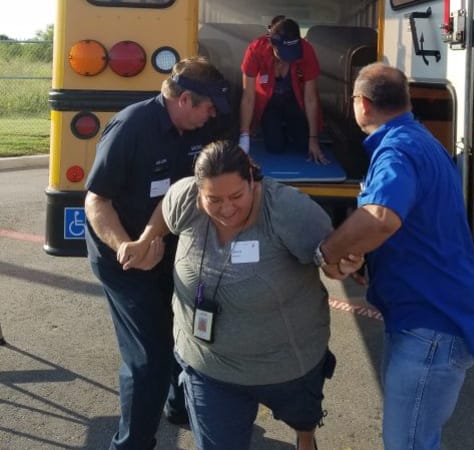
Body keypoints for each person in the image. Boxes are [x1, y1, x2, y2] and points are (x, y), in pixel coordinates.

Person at [126, 140, 361, 450]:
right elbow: (165, 210)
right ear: (198, 190)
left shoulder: (289, 210)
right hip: (207, 366)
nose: (226, 209)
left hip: (285, 365)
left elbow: (328, 257)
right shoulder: (185, 197)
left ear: (252, 179)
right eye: (213, 199)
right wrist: (146, 240)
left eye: (236, 196)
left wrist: (341, 266)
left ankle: (305, 436)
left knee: (303, 416)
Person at [317, 63, 474, 450]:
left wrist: (327, 251)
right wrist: (368, 259)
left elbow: (381, 217)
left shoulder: (396, 150)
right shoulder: (420, 140)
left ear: (362, 104)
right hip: (430, 317)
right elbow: (410, 222)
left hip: (432, 325)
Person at [84, 56, 231, 450]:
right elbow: (96, 200)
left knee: (189, 333)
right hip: (125, 258)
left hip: (170, 249)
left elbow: (186, 191)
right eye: (208, 107)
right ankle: (131, 444)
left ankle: (179, 405)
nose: (213, 115)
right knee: (148, 357)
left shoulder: (202, 127)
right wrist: (126, 246)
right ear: (183, 100)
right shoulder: (131, 128)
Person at [239, 16, 328, 164]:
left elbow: (311, 98)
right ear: (272, 44)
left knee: (303, 145)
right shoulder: (256, 49)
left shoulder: (306, 50)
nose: (288, 59)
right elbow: (248, 96)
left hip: (295, 100)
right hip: (269, 102)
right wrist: (244, 138)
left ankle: (293, 131)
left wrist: (313, 139)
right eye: (284, 53)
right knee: (274, 147)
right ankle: (278, 131)